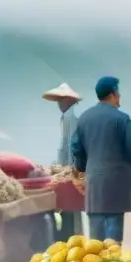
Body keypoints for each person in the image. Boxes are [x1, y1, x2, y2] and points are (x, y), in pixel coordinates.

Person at [70, 76, 131, 244]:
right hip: (117, 184)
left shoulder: (84, 119)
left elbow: (77, 150)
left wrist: (80, 173)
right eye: (118, 93)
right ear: (113, 94)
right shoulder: (122, 119)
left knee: (95, 241)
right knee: (113, 239)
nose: (119, 97)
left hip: (94, 184)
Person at [42, 82, 83, 239]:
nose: (59, 104)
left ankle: (72, 236)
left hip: (70, 168)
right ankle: (73, 235)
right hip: (68, 167)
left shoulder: (70, 117)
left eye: (61, 100)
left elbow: (71, 145)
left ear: (68, 100)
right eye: (58, 100)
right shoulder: (67, 116)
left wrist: (67, 170)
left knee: (70, 206)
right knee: (70, 207)